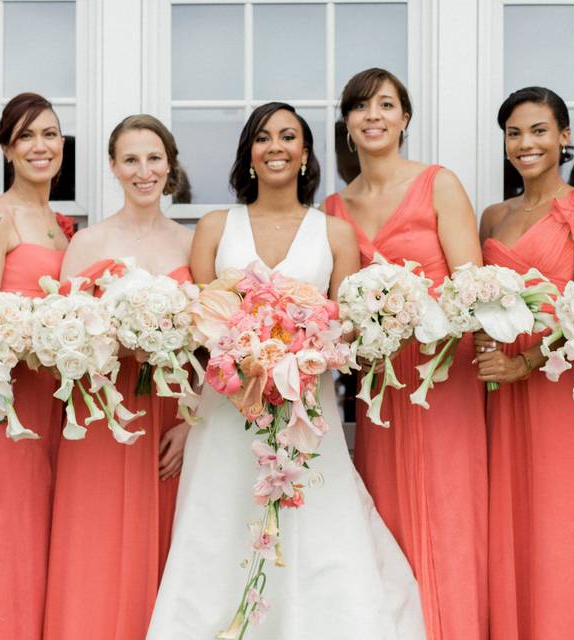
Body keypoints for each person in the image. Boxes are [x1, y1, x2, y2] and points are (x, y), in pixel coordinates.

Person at [147, 102, 426, 639]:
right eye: (263, 137)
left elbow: (344, 331)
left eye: (288, 137)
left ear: (305, 154)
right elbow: (202, 331)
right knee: (221, 525)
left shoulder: (335, 234)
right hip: (229, 412)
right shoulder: (213, 227)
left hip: (306, 410)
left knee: (311, 523)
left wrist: (300, 356)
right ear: (249, 154)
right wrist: (199, 407)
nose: (275, 146)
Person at [323, 67, 487, 639]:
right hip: (379, 386)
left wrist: (418, 311)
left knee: (448, 508)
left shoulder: (438, 183)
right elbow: (333, 306)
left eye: (386, 105)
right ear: (346, 123)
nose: (374, 116)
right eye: (362, 107)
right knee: (387, 512)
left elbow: (471, 287)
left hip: (443, 372)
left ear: (405, 119)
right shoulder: (333, 209)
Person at [43, 114, 194, 639]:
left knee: (167, 543)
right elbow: (61, 337)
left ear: (169, 164)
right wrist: (113, 339)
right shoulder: (87, 244)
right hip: (101, 415)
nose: (144, 170)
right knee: (97, 541)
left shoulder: (191, 244)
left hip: (168, 412)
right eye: (131, 159)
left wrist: (192, 422)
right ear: (113, 167)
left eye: (154, 158)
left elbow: (207, 347)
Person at [476, 86, 574, 639]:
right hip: (500, 389)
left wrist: (527, 362)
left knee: (564, 519)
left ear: (564, 137)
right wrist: (487, 350)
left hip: (564, 383)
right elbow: (477, 299)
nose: (525, 144)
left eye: (538, 131)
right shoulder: (494, 215)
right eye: (514, 133)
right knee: (511, 519)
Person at [0, 92, 73, 640]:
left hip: (55, 402)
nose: (40, 146)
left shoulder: (61, 225)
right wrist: (33, 341)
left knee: (46, 534)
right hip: (7, 406)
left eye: (49, 134)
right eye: (26, 135)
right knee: (6, 533)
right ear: (6, 149)